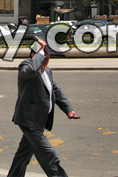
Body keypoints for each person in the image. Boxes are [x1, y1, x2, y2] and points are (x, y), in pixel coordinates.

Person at [7, 39, 77, 177]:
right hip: (29, 121)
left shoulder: (47, 71)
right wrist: (39, 52)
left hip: (39, 121)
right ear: (35, 55)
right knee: (48, 155)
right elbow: (32, 70)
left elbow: (56, 91)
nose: (46, 58)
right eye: (44, 55)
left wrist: (69, 109)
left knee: (22, 156)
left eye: (48, 56)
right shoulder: (26, 66)